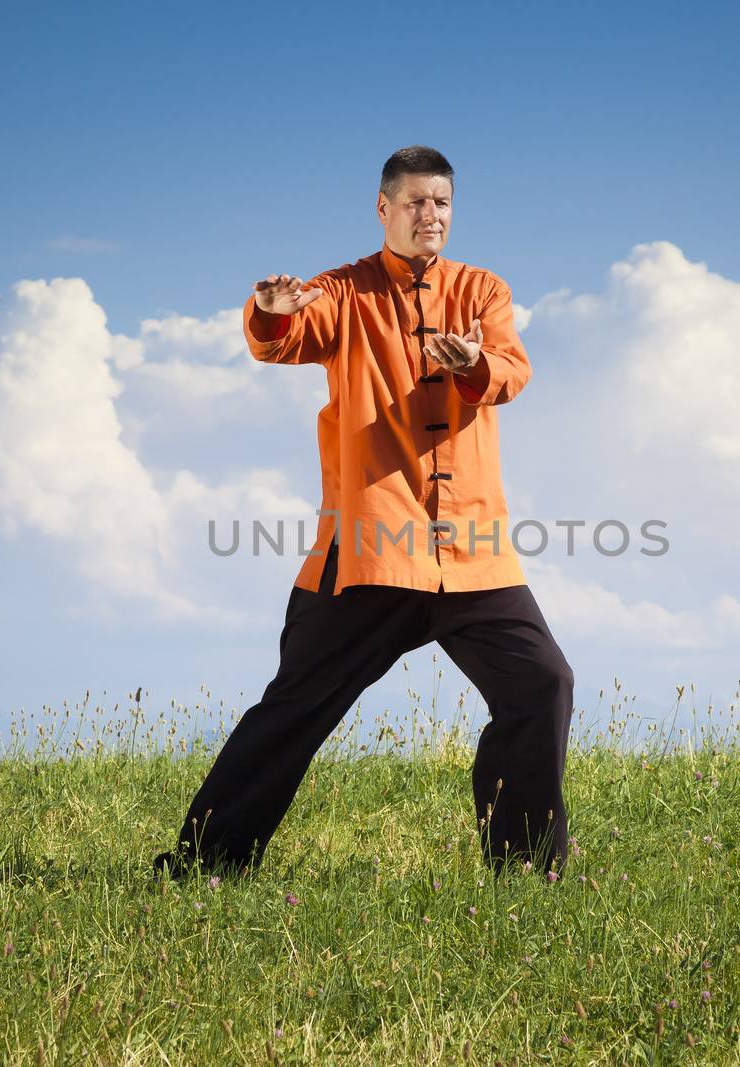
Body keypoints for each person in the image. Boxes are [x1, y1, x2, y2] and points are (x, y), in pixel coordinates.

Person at [155, 145, 574, 880]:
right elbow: (283, 340)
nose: (429, 216)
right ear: (384, 209)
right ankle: (202, 866)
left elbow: (511, 370)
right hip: (373, 554)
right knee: (295, 708)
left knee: (543, 683)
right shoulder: (344, 290)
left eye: (441, 203)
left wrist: (470, 364)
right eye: (414, 202)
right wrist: (270, 312)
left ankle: (525, 871)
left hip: (472, 551)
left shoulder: (484, 290)